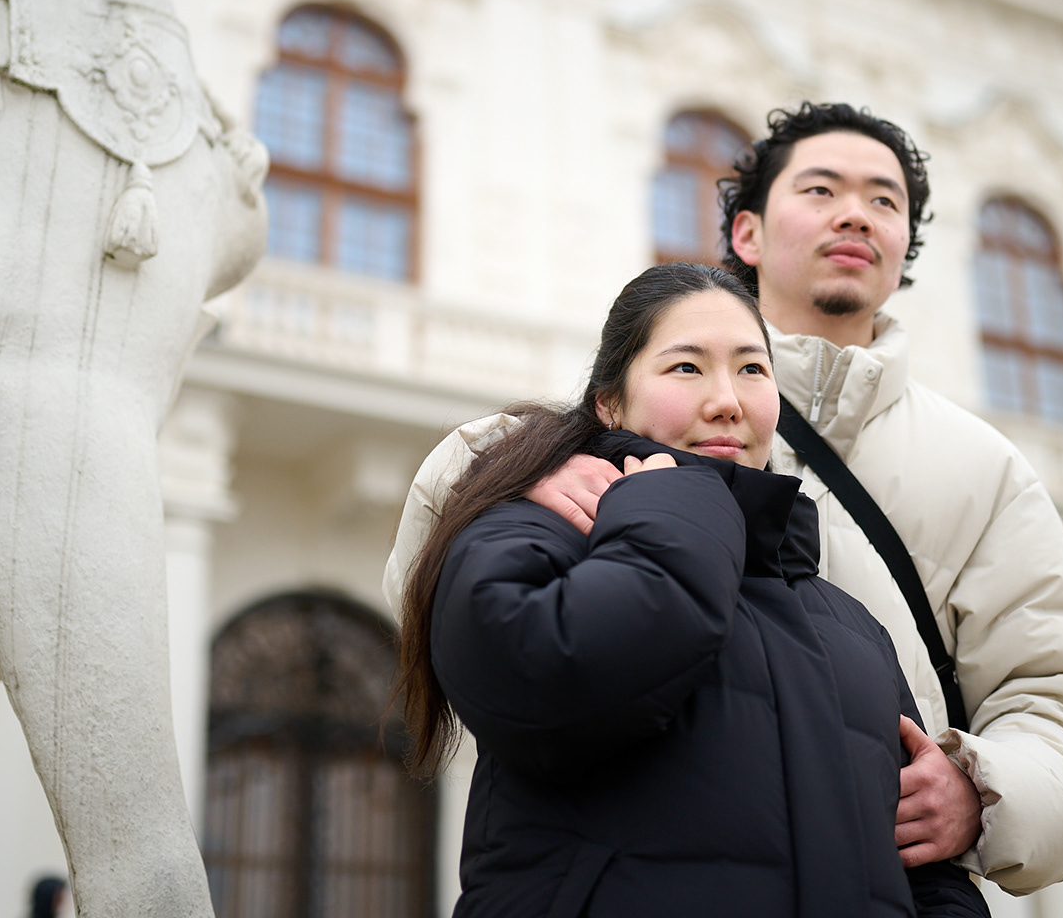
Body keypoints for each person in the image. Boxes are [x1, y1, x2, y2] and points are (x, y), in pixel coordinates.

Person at [386, 103, 1063, 897]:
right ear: (747, 234)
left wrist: (985, 792)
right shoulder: (597, 437)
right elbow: (451, 592)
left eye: (885, 201)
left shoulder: (987, 468)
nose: (855, 213)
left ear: (906, 243)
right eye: (820, 190)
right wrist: (524, 477)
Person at [395, 262, 987, 916]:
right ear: (609, 403)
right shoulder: (534, 529)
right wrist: (681, 498)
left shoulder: (853, 625)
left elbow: (927, 876)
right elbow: (541, 680)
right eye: (686, 367)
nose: (727, 400)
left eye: (752, 369)